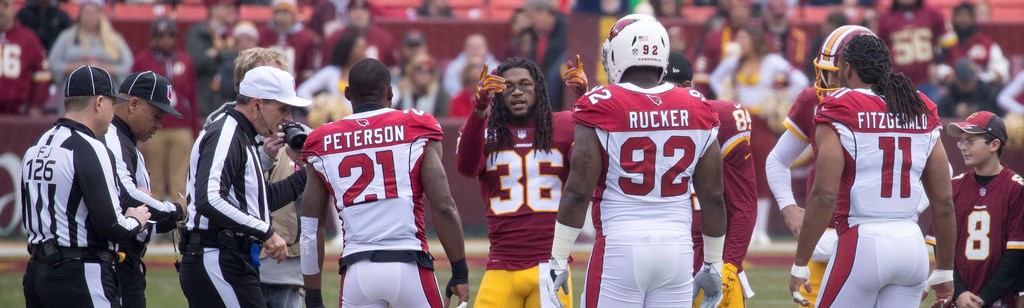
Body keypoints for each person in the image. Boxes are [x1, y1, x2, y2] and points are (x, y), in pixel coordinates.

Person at [546, 14, 727, 307]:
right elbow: (714, 198)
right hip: (677, 250)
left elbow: (578, 193)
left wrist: (557, 256)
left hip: (620, 247)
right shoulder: (698, 105)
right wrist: (712, 263)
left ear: (619, 53)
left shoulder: (600, 103)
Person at [788, 34, 956, 307]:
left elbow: (823, 196)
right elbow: (944, 202)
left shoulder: (840, 105)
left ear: (847, 68)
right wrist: (945, 269)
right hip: (911, 246)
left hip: (862, 240)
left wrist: (800, 261)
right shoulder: (919, 104)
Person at [299, 58, 470, 308]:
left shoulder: (322, 139)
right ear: (390, 92)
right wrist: (459, 271)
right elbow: (444, 205)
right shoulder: (415, 125)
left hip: (357, 270)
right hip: (409, 263)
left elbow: (310, 229)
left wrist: (313, 298)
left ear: (347, 94)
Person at [455, 55, 585, 308]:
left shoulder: (566, 124)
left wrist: (586, 102)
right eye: (508, 86)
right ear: (498, 94)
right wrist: (479, 109)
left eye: (525, 84)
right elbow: (466, 168)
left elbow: (589, 163)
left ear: (538, 89)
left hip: (551, 264)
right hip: (502, 263)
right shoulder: (481, 130)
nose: (517, 91)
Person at [178, 66, 309, 308]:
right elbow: (209, 198)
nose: (289, 118)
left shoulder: (242, 134)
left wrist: (308, 173)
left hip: (228, 258)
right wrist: (266, 232)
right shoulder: (226, 132)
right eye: (283, 109)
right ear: (257, 104)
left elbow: (259, 200)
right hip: (216, 257)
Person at [22, 65, 151, 307]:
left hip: (36, 273)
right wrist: (136, 218)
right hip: (80, 273)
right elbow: (111, 225)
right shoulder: (90, 147)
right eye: (112, 104)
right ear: (99, 102)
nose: (113, 113)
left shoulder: (37, 146)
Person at [766, 25, 876, 308]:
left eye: (835, 73)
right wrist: (789, 208)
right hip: (827, 234)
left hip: (872, 236)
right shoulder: (812, 101)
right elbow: (777, 159)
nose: (826, 81)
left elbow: (940, 177)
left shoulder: (898, 103)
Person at [665, 52, 758, 308]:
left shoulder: (722, 120)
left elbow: (743, 204)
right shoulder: (637, 119)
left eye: (665, 87)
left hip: (707, 256)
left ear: (686, 88)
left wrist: (730, 265)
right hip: (659, 253)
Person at [708, 25, 808, 246]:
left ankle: (760, 230)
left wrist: (779, 99)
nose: (740, 42)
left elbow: (800, 80)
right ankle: (742, 229)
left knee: (762, 175)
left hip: (761, 123)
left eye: (743, 37)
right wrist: (725, 96)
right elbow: (714, 78)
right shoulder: (734, 62)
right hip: (738, 122)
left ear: (754, 39)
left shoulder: (772, 62)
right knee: (737, 175)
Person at [104, 71, 188, 308]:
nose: (159, 125)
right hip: (115, 259)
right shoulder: (112, 137)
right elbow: (127, 196)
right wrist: (176, 211)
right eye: (156, 115)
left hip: (125, 258)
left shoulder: (126, 140)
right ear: (133, 104)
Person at [928, 111, 1024, 308]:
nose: (963, 147)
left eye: (970, 141)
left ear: (994, 144)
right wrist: (960, 292)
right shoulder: (953, 187)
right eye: (961, 141)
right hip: (959, 299)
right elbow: (941, 246)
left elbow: (1016, 253)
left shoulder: (1017, 188)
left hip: (999, 299)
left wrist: (984, 298)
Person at [132, 17, 199, 203]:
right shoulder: (142, 61)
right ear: (153, 37)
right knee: (154, 181)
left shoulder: (185, 60)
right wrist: (137, 134)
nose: (165, 40)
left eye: (170, 35)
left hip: (181, 126)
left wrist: (193, 130)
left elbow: (192, 96)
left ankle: (180, 226)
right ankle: (157, 228)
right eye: (161, 36)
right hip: (153, 129)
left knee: (180, 181)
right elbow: (134, 98)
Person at [48, 0, 133, 114]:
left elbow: (128, 65)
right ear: (80, 14)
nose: (90, 17)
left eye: (94, 13)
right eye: (87, 13)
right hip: (75, 97)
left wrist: (102, 67)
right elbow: (53, 63)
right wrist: (78, 66)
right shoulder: (67, 37)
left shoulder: (114, 39)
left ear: (100, 15)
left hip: (106, 95)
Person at [876, 0, 955, 100]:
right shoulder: (885, 17)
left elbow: (947, 44)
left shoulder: (933, 12)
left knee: (931, 113)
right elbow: (879, 50)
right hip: (897, 83)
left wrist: (937, 63)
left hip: (927, 81)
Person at [186, 0, 238, 116]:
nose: (232, 10)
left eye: (233, 6)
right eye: (226, 6)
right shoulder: (198, 33)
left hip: (230, 101)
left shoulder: (235, 33)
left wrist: (218, 54)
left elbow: (239, 58)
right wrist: (226, 54)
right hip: (205, 101)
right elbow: (196, 64)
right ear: (213, 8)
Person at [940, 2, 1009, 87]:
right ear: (954, 18)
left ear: (974, 18)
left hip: (983, 89)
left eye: (968, 16)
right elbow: (939, 66)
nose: (963, 19)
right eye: (960, 15)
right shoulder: (946, 42)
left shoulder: (986, 43)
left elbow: (1000, 68)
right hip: (953, 90)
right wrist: (950, 77)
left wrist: (981, 79)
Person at [0, 0, 50, 116]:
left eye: (5, 6)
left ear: (13, 8)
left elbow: (42, 75)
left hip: (17, 112)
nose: (1, 11)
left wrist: (36, 105)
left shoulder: (28, 39)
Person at [522, 0, 567, 110]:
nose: (529, 22)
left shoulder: (566, 29)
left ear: (544, 13)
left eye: (531, 16)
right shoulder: (532, 34)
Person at [259, 0, 318, 83]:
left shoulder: (305, 37)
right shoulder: (264, 33)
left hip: (296, 83)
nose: (282, 16)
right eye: (279, 12)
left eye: (286, 12)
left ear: (293, 14)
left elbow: (308, 66)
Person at [762, 0, 809, 68]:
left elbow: (801, 64)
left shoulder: (799, 37)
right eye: (775, 16)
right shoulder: (759, 36)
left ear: (787, 13)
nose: (778, 19)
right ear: (767, 13)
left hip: (793, 74)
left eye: (780, 16)